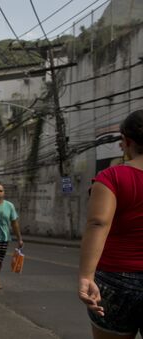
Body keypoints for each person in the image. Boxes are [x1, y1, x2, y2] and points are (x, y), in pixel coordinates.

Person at [78, 109, 143, 339]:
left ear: (126, 141)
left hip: (115, 278)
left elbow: (98, 223)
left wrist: (86, 276)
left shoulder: (111, 177)